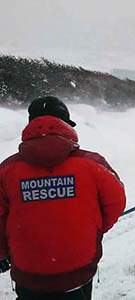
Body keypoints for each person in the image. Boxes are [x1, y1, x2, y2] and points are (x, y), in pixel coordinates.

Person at [0, 96, 126, 300]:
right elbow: (116, 203)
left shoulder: (6, 170)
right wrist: (94, 229)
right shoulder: (93, 164)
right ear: (65, 125)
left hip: (28, 276)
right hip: (77, 274)